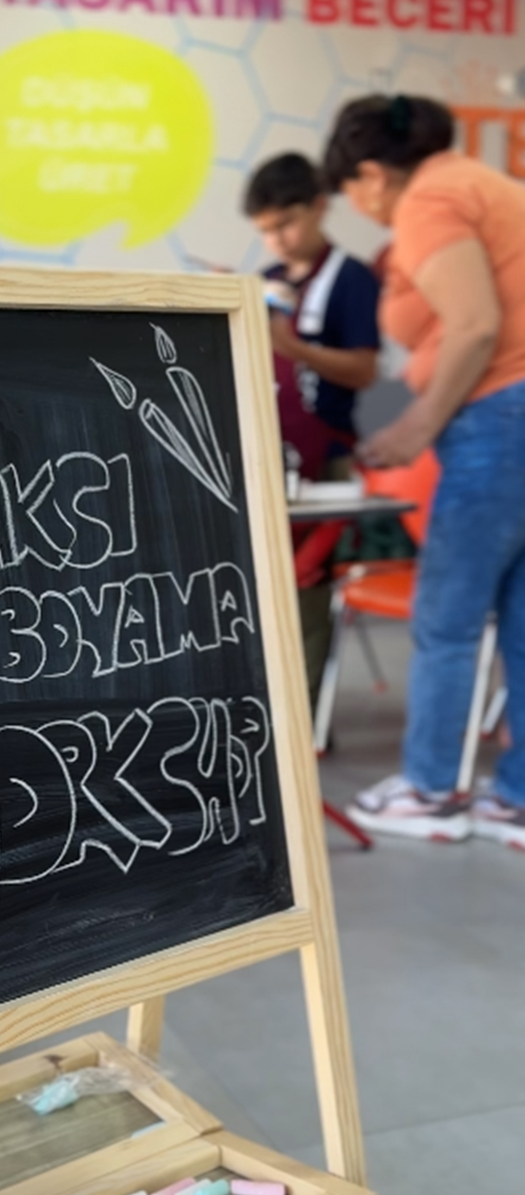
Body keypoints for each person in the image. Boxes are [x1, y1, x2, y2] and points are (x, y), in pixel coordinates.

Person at [322, 93, 525, 848]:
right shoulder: (485, 184)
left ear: (372, 174)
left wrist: (415, 425)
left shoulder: (429, 200)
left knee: (448, 616)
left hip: (498, 418)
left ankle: (432, 789)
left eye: (351, 191)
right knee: (521, 619)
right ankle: (517, 798)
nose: (360, 207)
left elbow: (474, 325)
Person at [243, 153, 380, 708]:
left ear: (320, 206)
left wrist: (295, 348)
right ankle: (264, 708)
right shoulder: (266, 281)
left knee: (305, 582)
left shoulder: (352, 278)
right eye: (265, 230)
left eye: (286, 224)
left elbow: (364, 369)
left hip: (327, 460)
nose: (276, 240)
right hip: (266, 456)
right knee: (259, 584)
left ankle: (303, 717)